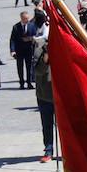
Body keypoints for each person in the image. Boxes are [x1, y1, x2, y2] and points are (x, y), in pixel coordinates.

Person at [34, 34, 55, 164]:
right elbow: (38, 71)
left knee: (65, 126)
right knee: (47, 124)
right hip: (45, 94)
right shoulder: (40, 47)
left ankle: (68, 150)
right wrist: (46, 55)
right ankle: (48, 149)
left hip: (62, 94)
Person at [9, 11, 38, 90]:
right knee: (20, 67)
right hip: (19, 50)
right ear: (21, 18)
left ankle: (29, 82)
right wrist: (12, 50)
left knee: (29, 67)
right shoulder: (16, 27)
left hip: (29, 49)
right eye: (25, 18)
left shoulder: (32, 25)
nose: (27, 20)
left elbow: (35, 35)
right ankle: (21, 82)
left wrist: (32, 39)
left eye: (27, 18)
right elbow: (12, 39)